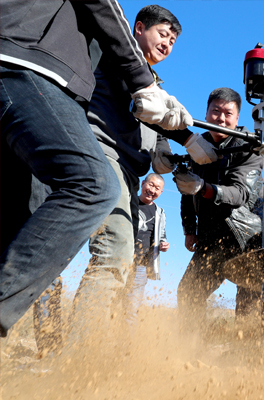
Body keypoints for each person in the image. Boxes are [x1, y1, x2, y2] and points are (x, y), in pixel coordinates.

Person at [0, 0, 195, 338]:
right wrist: (188, 135)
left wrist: (172, 154)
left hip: (127, 174)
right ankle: (77, 353)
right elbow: (107, 17)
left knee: (33, 234)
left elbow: (155, 131)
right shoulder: (114, 57)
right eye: (163, 34)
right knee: (110, 241)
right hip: (102, 156)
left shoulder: (153, 86)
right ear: (137, 29)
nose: (167, 44)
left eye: (173, 41)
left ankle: (43, 346)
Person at [174, 88, 264, 334]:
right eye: (215, 111)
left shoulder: (249, 147)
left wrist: (203, 188)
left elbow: (240, 194)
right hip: (210, 236)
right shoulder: (196, 145)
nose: (221, 119)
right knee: (188, 292)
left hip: (244, 237)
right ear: (206, 113)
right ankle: (193, 348)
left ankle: (247, 350)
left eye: (228, 113)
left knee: (248, 303)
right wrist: (189, 229)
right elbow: (187, 192)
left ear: (237, 118)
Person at [123, 173, 169, 328]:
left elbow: (161, 235)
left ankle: (126, 341)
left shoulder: (159, 212)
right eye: (151, 185)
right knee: (112, 303)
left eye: (157, 188)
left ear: (161, 192)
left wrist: (163, 244)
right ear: (143, 184)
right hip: (121, 261)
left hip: (140, 267)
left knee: (131, 310)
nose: (152, 190)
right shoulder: (129, 201)